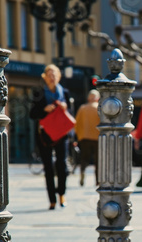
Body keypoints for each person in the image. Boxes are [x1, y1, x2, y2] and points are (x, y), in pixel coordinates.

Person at [30, 64, 70, 210]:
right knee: (48, 167)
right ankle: (52, 199)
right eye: (49, 75)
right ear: (45, 77)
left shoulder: (64, 92)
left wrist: (65, 107)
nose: (52, 77)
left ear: (58, 77)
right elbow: (32, 114)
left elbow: (70, 112)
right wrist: (43, 109)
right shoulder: (38, 93)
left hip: (61, 133)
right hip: (44, 135)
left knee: (62, 165)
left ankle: (62, 194)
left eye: (54, 75)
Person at [74, 89, 100, 186]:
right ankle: (98, 180)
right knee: (98, 160)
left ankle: (83, 172)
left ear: (89, 98)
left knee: (84, 158)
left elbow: (76, 123)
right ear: (97, 98)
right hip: (97, 138)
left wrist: (79, 136)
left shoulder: (82, 108)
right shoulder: (99, 108)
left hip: (84, 137)